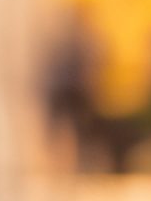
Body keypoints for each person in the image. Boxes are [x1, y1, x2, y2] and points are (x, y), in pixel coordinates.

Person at [40, 9, 103, 174]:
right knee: (62, 129)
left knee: (77, 130)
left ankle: (73, 164)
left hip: (74, 91)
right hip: (66, 90)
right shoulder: (67, 41)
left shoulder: (81, 40)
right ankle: (61, 164)